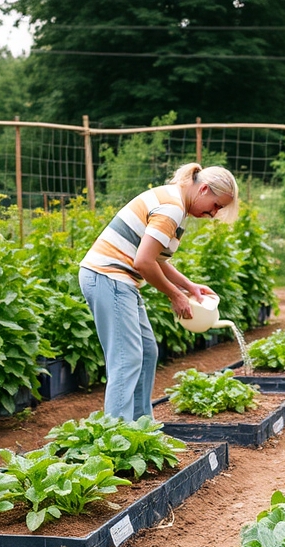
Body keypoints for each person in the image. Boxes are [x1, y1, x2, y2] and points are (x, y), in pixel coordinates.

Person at [79, 162, 238, 421]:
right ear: (205, 189)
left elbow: (158, 259)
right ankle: (115, 436)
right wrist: (175, 294)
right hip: (108, 277)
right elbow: (143, 262)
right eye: (216, 205)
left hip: (119, 281)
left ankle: (142, 426)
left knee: (147, 351)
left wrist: (189, 287)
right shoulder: (172, 207)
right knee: (126, 358)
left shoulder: (176, 205)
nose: (214, 213)